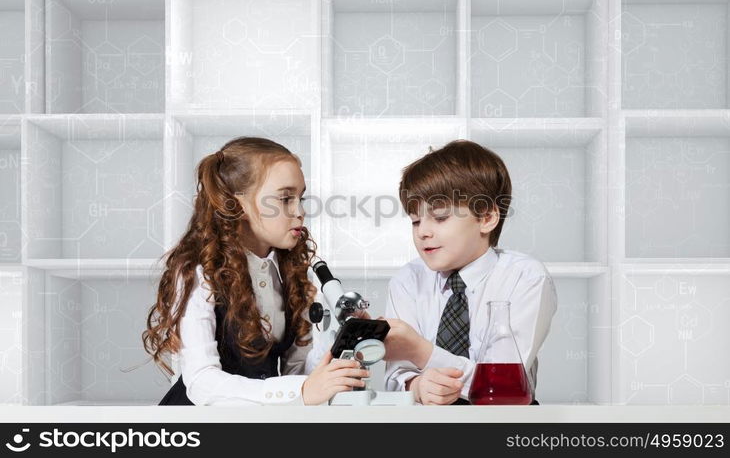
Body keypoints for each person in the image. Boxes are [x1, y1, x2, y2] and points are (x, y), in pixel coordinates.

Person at [143, 137, 368, 405]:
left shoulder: (290, 275)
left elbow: (293, 375)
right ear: (237, 205)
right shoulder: (198, 273)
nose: (300, 211)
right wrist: (303, 390)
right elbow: (202, 383)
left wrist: (337, 344)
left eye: (301, 197)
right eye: (285, 198)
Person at [383, 140, 558, 405]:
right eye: (415, 221)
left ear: (486, 218)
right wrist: (417, 385)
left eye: (440, 217)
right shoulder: (407, 280)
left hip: (503, 421)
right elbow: (396, 376)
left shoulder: (525, 277)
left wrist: (421, 351)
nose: (423, 232)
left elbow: (501, 384)